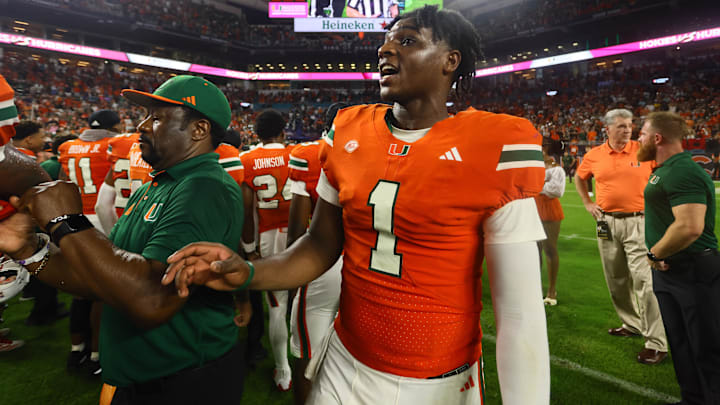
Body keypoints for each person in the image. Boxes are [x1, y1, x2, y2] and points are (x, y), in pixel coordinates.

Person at [165, 6, 550, 404]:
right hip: (346, 363)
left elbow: (519, 314)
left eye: (407, 40)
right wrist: (245, 272)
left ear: (450, 61)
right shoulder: (348, 129)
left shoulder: (495, 144)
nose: (385, 49)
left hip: (440, 380)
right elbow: (319, 246)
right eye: (387, 40)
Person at [0, 75, 247, 404]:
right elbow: (100, 280)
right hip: (143, 375)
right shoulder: (154, 186)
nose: (141, 126)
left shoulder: (205, 188)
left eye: (156, 118)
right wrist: (29, 250)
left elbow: (152, 299)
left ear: (199, 130)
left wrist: (67, 222)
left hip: (184, 379)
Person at [637, 112, 720, 405]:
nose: (639, 138)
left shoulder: (683, 170)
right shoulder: (666, 168)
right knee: (682, 345)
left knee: (706, 347)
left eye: (643, 133)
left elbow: (689, 226)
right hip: (672, 271)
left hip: (693, 270)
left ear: (657, 138)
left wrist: (653, 253)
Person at [575, 108, 668, 365]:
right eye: (621, 126)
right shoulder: (594, 155)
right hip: (606, 223)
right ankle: (631, 324)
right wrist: (587, 203)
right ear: (607, 129)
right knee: (616, 279)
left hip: (639, 222)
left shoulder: (644, 150)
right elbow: (580, 178)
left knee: (645, 283)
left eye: (629, 125)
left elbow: (664, 175)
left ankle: (656, 343)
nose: (627, 130)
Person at [286, 103, 345, 405]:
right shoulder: (382, 150)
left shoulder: (308, 154)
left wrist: (294, 272)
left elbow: (297, 225)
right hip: (370, 262)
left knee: (307, 354)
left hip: (323, 259)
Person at [58, 109, 123, 376]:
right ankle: (97, 355)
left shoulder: (67, 146)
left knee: (79, 290)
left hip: (73, 218)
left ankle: (76, 351)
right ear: (114, 126)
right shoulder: (112, 145)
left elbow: (62, 184)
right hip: (101, 217)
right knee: (101, 293)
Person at [239, 109, 294, 392]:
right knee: (311, 303)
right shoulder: (298, 154)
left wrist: (249, 249)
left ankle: (283, 370)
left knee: (277, 305)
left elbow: (247, 212)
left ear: (256, 134)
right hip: (302, 234)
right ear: (283, 131)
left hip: (269, 237)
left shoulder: (247, 160)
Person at [535, 153, 565, 306]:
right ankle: (535, 288)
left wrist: (534, 185)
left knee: (550, 249)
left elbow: (556, 190)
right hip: (532, 209)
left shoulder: (556, 169)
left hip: (548, 210)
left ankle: (552, 290)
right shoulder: (531, 165)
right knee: (534, 251)